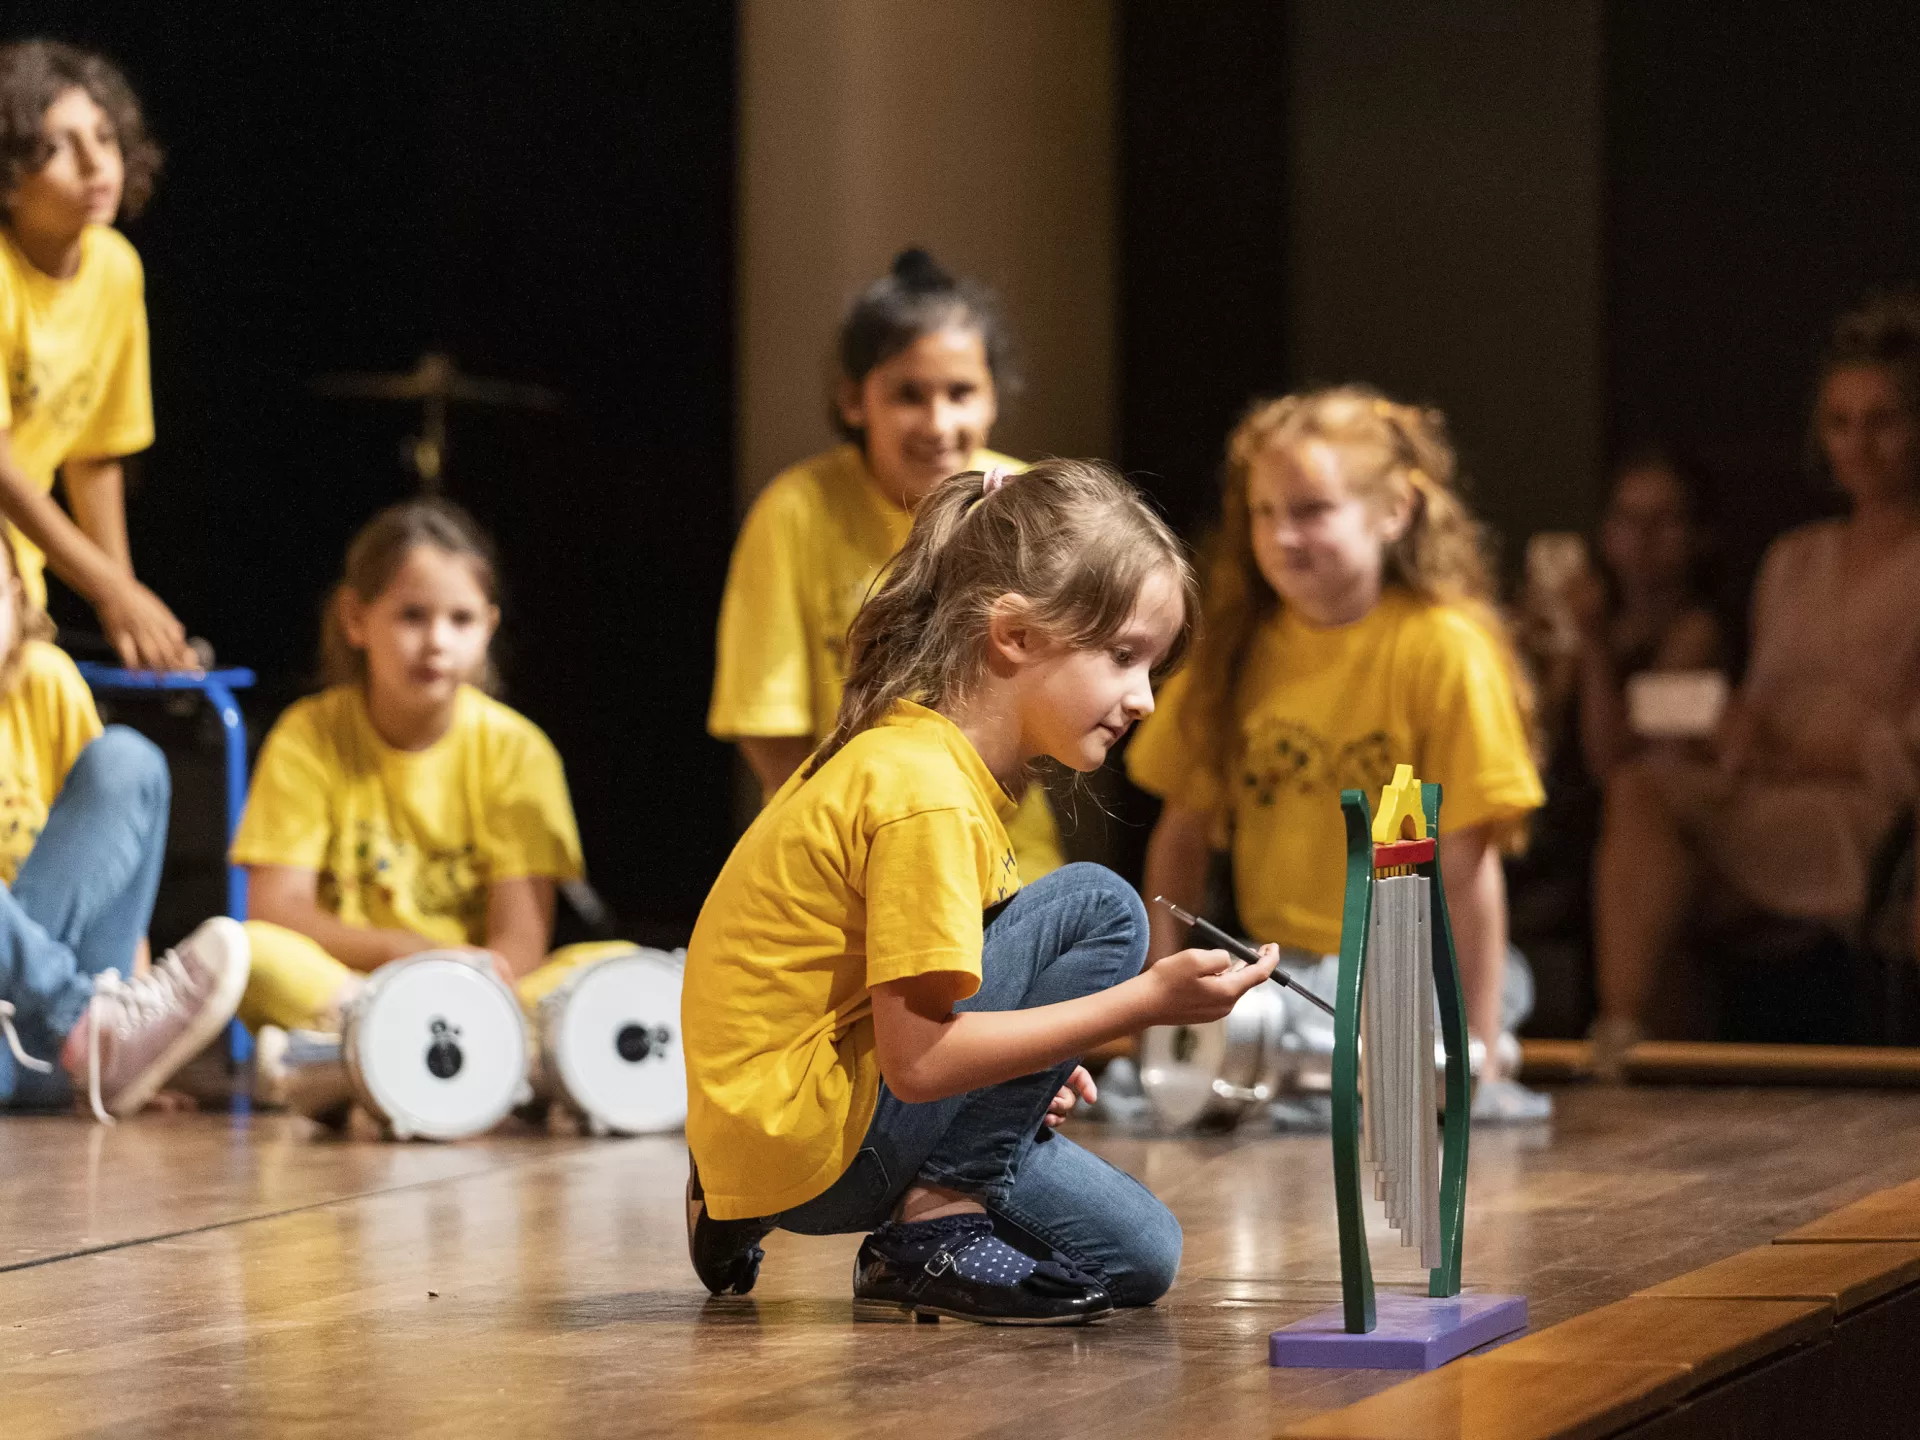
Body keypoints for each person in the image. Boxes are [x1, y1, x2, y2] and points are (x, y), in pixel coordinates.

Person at [683, 459, 1278, 1325]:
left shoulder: (927, 761)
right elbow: (921, 1063)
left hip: (783, 1144)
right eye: (1123, 657)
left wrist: (1029, 1069)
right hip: (824, 1143)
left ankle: (738, 1204)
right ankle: (931, 1229)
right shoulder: (923, 792)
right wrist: (1139, 1002)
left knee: (1139, 1254)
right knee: (1101, 909)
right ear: (1015, 635)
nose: (1144, 698)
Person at [1128, 387, 1549, 1122]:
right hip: (1276, 971)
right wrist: (1156, 1010)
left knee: (1346, 1081)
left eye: (1311, 510)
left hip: (1411, 971)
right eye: (1263, 512)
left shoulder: (1445, 650)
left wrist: (1472, 1053)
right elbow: (1181, 838)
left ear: (1394, 512)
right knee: (1195, 1082)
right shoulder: (1235, 653)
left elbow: (1467, 866)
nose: (1281, 536)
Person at [1589, 291, 1920, 1074]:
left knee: (1660, 876)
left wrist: (1810, 752)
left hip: (1873, 819)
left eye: (1883, 420)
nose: (1859, 445)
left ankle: (1635, 1054)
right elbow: (1766, 702)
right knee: (1643, 797)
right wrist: (1738, 729)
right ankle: (1632, 1047)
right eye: (1840, 423)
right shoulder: (1795, 559)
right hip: (1770, 801)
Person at [708, 248, 1064, 881]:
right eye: (908, 395)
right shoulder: (796, 510)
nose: (939, 421)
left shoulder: (1030, 502)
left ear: (992, 398)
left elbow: (1077, 690)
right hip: (837, 854)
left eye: (961, 393)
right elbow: (767, 728)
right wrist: (843, 843)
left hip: (1003, 852)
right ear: (853, 400)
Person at [228, 500, 595, 1093]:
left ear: (489, 629)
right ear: (355, 618)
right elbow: (275, 909)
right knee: (248, 953)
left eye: (461, 620)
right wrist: (409, 953)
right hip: (349, 984)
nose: (436, 642)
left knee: (606, 969)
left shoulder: (519, 751)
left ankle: (350, 1060)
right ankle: (423, 1050)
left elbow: (521, 944)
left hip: (478, 994)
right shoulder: (308, 734)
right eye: (412, 616)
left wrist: (456, 984)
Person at [0, 523, 248, 1119]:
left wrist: (144, 1045)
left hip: (41, 1042)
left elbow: (108, 871)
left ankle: (104, 1042)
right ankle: (84, 1022)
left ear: (17, 596)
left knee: (128, 761)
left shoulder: (41, 682)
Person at [1506, 452, 1725, 1033]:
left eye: (1664, 521)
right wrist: (1528, 658)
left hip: (1631, 830)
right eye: (1628, 520)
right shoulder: (1589, 619)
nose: (1643, 539)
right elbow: (1541, 745)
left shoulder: (1694, 630)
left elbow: (1612, 760)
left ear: (1697, 536)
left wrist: (1594, 649)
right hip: (1561, 817)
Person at [0, 39, 195, 670]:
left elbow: (94, 455)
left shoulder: (115, 269)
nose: (94, 164)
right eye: (56, 148)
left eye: (105, 138)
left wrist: (129, 609)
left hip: (15, 554)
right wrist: (111, 591)